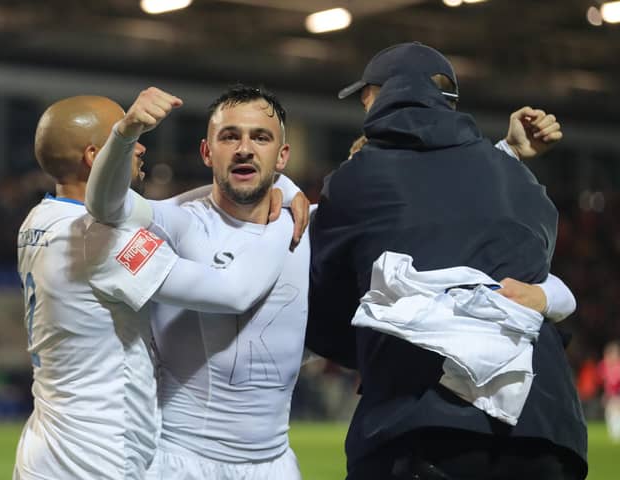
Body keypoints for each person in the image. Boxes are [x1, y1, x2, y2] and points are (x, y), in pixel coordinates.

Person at [88, 84, 578, 480]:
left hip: (273, 463)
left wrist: (508, 153)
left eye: (259, 138)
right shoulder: (175, 220)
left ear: (282, 156)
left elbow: (445, 221)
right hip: (179, 456)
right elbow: (106, 206)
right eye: (229, 136)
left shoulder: (317, 228)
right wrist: (126, 133)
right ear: (206, 150)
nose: (243, 148)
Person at [306, 42, 587, 479]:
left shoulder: (356, 179)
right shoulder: (511, 173)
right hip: (547, 428)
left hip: (423, 425)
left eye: (365, 95)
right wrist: (508, 156)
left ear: (378, 95)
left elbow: (328, 314)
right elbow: (537, 277)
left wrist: (378, 348)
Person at [14, 95, 297, 480]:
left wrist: (283, 185)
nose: (140, 147)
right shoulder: (99, 238)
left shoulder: (40, 220)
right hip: (95, 457)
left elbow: (168, 208)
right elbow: (233, 293)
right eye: (127, 141)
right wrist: (279, 219)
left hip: (47, 444)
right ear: (97, 157)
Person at [598, 341, 620, 442]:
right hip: (610, 394)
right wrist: (606, 395)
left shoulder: (618, 367)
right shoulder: (604, 366)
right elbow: (605, 382)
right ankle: (614, 432)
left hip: (617, 394)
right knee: (609, 412)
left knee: (615, 410)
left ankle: (616, 432)